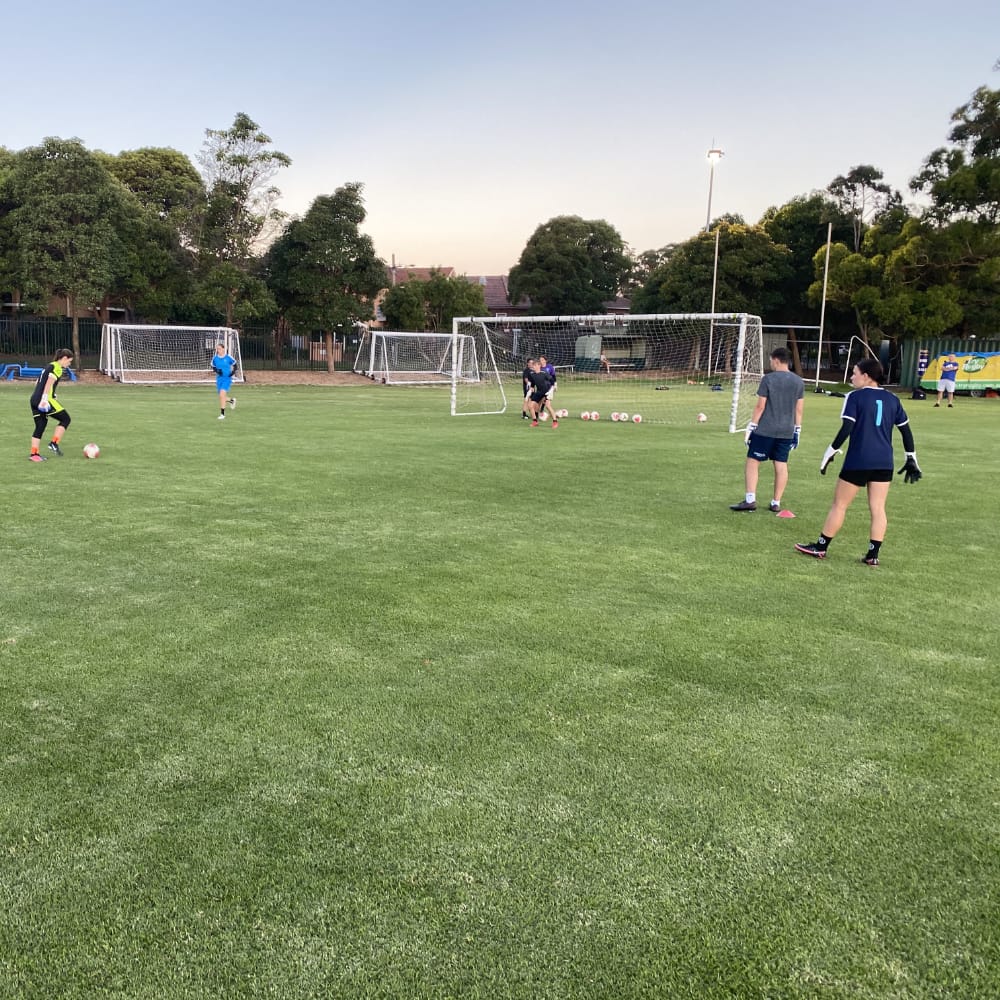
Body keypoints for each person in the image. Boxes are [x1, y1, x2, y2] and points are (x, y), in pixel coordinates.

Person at [795, 358, 921, 567]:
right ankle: (873, 555)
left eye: (854, 373)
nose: (851, 377)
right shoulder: (893, 399)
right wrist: (911, 458)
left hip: (859, 459)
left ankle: (820, 547)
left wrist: (830, 451)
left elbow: (847, 427)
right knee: (878, 508)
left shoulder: (855, 397)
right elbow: (906, 430)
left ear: (866, 376)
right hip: (884, 462)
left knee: (840, 504)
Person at [730, 347, 804, 513]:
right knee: (781, 463)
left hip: (765, 429)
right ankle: (775, 502)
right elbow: (799, 410)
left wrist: (751, 426)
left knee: (752, 461)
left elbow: (760, 406)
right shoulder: (798, 381)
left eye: (771, 360)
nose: (770, 363)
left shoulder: (768, 379)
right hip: (786, 431)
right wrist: (797, 430)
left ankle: (750, 500)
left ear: (776, 360)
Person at [28, 348, 74, 462]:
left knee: (40, 425)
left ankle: (34, 454)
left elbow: (38, 382)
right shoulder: (57, 368)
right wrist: (45, 398)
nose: (69, 364)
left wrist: (51, 394)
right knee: (66, 419)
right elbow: (48, 383)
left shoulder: (49, 366)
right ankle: (54, 443)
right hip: (44, 400)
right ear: (64, 358)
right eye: (69, 361)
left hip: (34, 399)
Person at [525, 360, 558, 428]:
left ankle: (555, 422)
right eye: (533, 365)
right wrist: (530, 390)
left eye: (534, 365)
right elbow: (533, 384)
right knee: (530, 406)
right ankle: (535, 421)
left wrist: (551, 391)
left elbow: (552, 382)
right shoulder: (532, 374)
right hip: (539, 392)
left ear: (538, 366)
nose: (533, 366)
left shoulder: (544, 373)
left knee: (548, 406)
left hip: (547, 391)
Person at [211, 343, 238, 419]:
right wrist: (217, 371)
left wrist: (233, 372)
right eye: (217, 349)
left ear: (223, 349)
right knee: (221, 396)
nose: (218, 350)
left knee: (222, 395)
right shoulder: (215, 358)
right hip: (219, 379)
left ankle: (222, 414)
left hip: (227, 379)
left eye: (219, 348)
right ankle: (232, 400)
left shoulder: (228, 357)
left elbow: (235, 364)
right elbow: (213, 366)